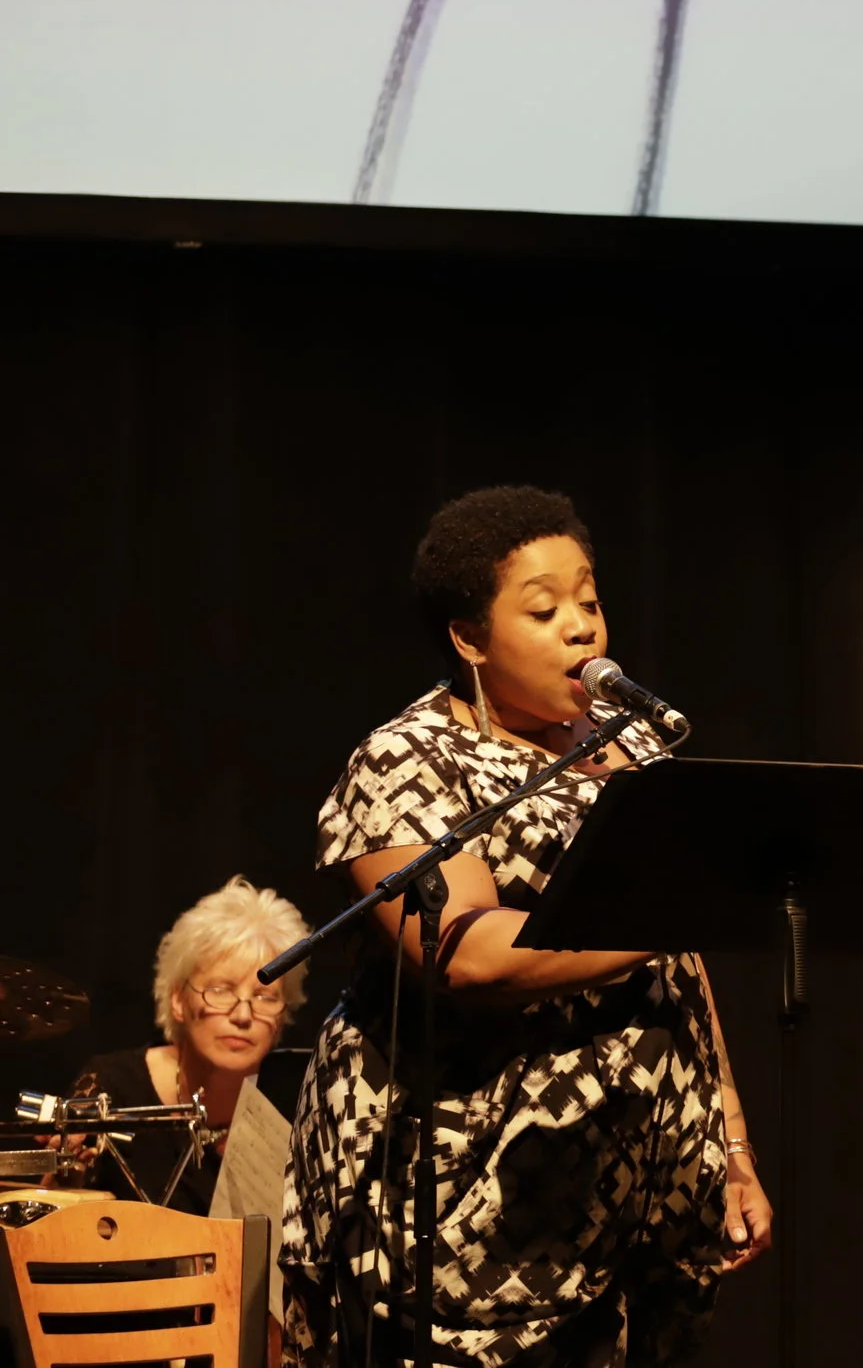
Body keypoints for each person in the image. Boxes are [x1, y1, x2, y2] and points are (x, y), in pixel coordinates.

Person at [279, 486, 771, 1368]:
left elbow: (683, 969)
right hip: (461, 1205)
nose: (582, 626)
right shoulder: (409, 756)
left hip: (630, 1193)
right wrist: (682, 910)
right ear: (470, 638)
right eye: (544, 610)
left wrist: (730, 1141)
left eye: (588, 599)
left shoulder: (636, 751)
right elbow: (464, 950)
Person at [50, 876, 312, 1213]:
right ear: (178, 1001)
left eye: (265, 996)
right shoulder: (111, 1087)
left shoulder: (297, 1106)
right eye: (221, 990)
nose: (244, 1015)